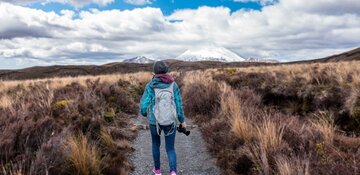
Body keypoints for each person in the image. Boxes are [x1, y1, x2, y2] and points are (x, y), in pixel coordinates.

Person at [140, 61, 186, 175]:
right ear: (166, 71)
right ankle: (173, 172)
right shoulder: (173, 85)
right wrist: (182, 120)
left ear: (154, 72)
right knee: (170, 148)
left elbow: (144, 106)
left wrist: (145, 114)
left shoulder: (150, 85)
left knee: (156, 144)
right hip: (170, 121)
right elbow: (178, 105)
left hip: (154, 122)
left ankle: (157, 171)